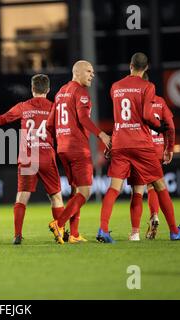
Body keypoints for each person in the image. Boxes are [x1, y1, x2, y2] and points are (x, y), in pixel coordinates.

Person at [97, 52, 180, 243]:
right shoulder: (148, 87)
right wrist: (158, 126)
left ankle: (103, 230)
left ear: (130, 65)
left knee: (114, 188)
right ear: (146, 67)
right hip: (140, 144)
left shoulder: (115, 87)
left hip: (121, 143)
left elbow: (118, 117)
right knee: (159, 185)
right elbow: (148, 115)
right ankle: (174, 231)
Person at [0, 74, 64, 245]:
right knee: (56, 197)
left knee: (22, 197)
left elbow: (4, 119)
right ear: (48, 90)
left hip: (28, 156)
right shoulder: (54, 107)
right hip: (46, 154)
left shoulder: (24, 106)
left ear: (32, 89)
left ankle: (17, 235)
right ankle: (60, 234)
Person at [47, 60, 111, 244]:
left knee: (76, 191)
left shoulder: (60, 93)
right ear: (78, 72)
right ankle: (59, 224)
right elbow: (83, 118)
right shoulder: (80, 92)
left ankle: (73, 234)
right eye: (89, 71)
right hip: (77, 148)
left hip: (63, 148)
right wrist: (102, 136)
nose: (92, 75)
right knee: (85, 192)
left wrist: (58, 143)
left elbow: (51, 124)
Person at [126, 73, 176, 241]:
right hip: (157, 150)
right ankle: (154, 215)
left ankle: (135, 233)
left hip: (141, 148)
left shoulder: (134, 101)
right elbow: (171, 126)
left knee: (137, 190)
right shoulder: (160, 101)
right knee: (153, 186)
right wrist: (169, 148)